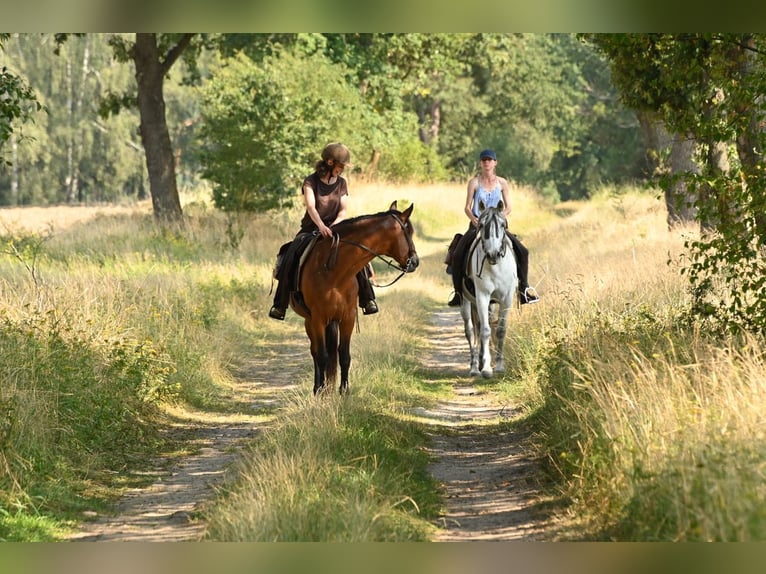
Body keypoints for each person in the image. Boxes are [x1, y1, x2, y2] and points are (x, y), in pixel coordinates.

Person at [269, 143, 378, 320]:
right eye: (341, 165)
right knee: (290, 256)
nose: (342, 169)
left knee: (358, 257)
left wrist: (334, 227)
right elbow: (311, 207)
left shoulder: (342, 183)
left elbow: (343, 210)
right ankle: (280, 304)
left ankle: (368, 299)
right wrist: (321, 226)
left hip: (337, 229)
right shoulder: (310, 181)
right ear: (329, 162)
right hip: (311, 229)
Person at [446, 148, 539, 307]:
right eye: (484, 160)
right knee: (458, 253)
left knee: (523, 251)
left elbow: (509, 206)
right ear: (480, 163)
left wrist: (501, 216)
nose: (486, 163)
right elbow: (467, 207)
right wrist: (473, 218)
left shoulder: (502, 183)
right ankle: (458, 293)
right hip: (478, 226)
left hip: (497, 226)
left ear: (495, 163)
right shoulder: (474, 183)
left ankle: (523, 289)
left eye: (489, 160)